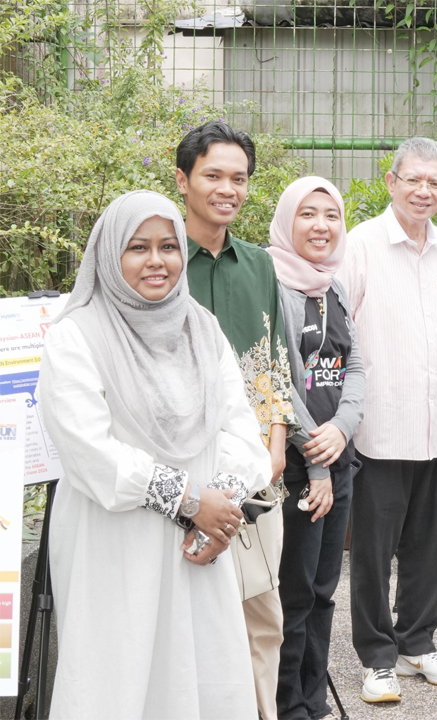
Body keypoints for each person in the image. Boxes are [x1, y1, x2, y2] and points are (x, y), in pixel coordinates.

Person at [38, 191, 270, 718]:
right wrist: (188, 501)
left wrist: (218, 515)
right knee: (118, 674)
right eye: (137, 247)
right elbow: (88, 451)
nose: (157, 261)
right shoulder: (77, 336)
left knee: (204, 673)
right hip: (116, 540)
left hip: (201, 541)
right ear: (109, 255)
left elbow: (239, 428)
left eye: (168, 246)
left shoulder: (201, 328)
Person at [338, 137, 437, 703]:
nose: (423, 190)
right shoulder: (360, 245)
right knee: (371, 550)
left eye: (434, 181)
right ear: (390, 181)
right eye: (412, 179)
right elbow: (338, 336)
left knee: (428, 546)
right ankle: (376, 657)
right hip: (378, 430)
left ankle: (418, 641)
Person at [177, 120, 295, 720]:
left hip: (256, 475)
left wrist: (275, 446)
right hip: (184, 477)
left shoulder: (260, 266)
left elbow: (275, 363)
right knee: (187, 624)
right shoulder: (160, 261)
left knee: (261, 618)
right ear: (184, 180)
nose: (228, 189)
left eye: (239, 178)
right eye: (214, 176)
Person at [269, 177, 367, 719]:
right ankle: (287, 705)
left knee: (326, 588)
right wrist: (317, 457)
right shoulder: (271, 281)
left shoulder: (335, 286)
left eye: (331, 215)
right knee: (294, 592)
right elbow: (276, 380)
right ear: (288, 220)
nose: (321, 226)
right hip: (298, 468)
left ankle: (313, 698)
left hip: (338, 457)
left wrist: (345, 428)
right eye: (308, 214)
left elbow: (354, 364)